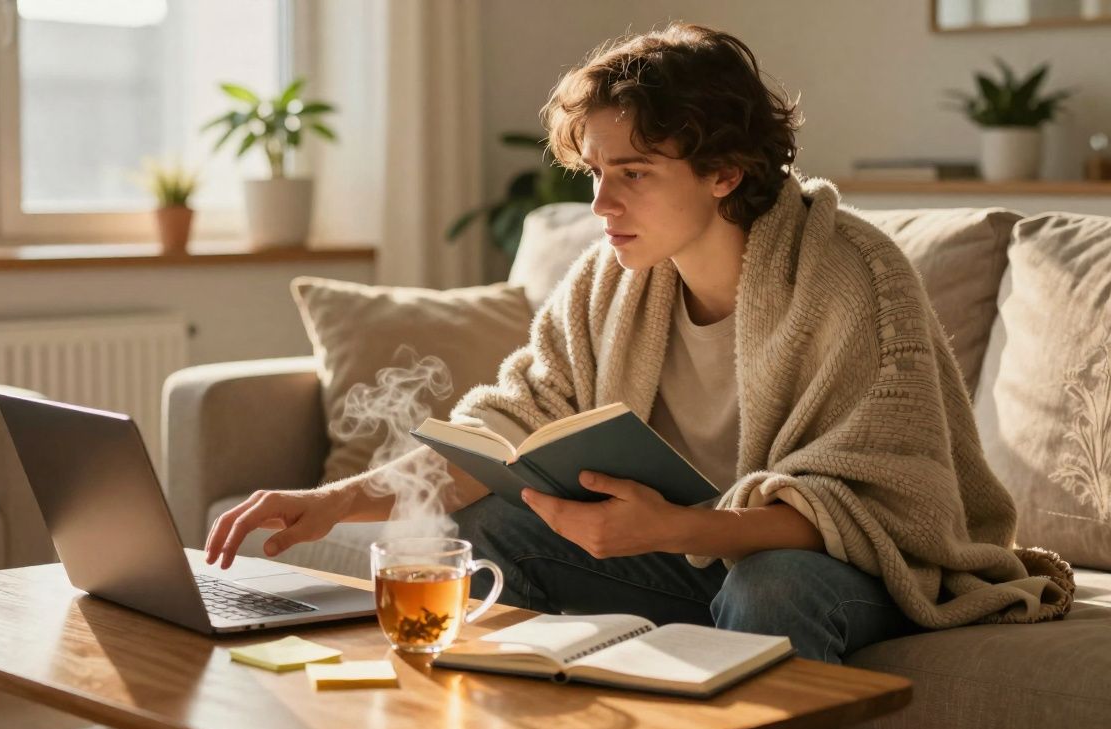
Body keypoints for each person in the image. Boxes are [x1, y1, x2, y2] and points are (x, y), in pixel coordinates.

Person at [204, 23, 1073, 663]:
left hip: (847, 570)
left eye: (634, 173)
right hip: (687, 555)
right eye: (595, 173)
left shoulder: (853, 276)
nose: (600, 204)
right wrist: (331, 503)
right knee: (492, 522)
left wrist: (678, 525)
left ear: (725, 170)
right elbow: (506, 431)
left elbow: (889, 508)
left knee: (772, 581)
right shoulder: (608, 281)